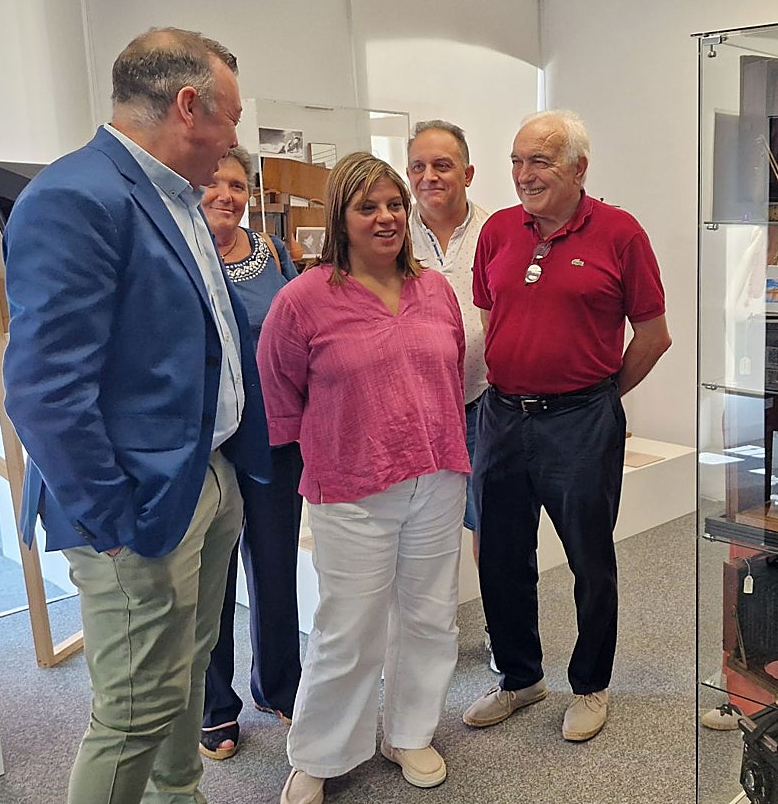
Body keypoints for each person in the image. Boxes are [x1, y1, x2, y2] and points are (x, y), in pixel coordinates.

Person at [2, 28, 270, 804]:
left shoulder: (174, 197)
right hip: (138, 510)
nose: (233, 138)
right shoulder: (75, 197)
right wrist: (114, 524)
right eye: (231, 117)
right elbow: (44, 389)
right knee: (131, 715)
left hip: (205, 478)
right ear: (190, 106)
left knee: (184, 676)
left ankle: (178, 796)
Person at [257, 152, 470, 803]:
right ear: (340, 218)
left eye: (394, 205)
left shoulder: (435, 289)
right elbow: (279, 388)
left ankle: (408, 731)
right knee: (347, 629)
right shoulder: (303, 300)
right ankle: (321, 754)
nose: (386, 218)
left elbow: (454, 371)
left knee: (432, 618)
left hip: (436, 477)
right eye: (368, 206)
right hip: (351, 487)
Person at [463, 110, 672, 743]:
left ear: (579, 168)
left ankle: (590, 683)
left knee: (589, 557)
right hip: (501, 416)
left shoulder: (619, 233)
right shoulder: (498, 231)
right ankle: (521, 678)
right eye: (517, 161)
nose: (524, 175)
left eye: (541, 162)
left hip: (581, 421)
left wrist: (601, 394)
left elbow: (654, 336)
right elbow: (489, 317)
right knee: (499, 556)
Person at [198, 146, 303, 761]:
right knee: (214, 577)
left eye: (237, 184)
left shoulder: (273, 252)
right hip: (209, 443)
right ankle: (216, 707)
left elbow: (294, 331)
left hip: (274, 436)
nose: (226, 194)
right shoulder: (179, 250)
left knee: (275, 565)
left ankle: (278, 684)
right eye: (214, 181)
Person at [405, 119, 497, 672]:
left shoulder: (500, 230)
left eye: (442, 165)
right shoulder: (393, 228)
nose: (429, 177)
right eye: (418, 166)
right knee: (424, 529)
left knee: (494, 525)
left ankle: (501, 629)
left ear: (467, 172)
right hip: (417, 406)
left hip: (487, 399)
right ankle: (428, 635)